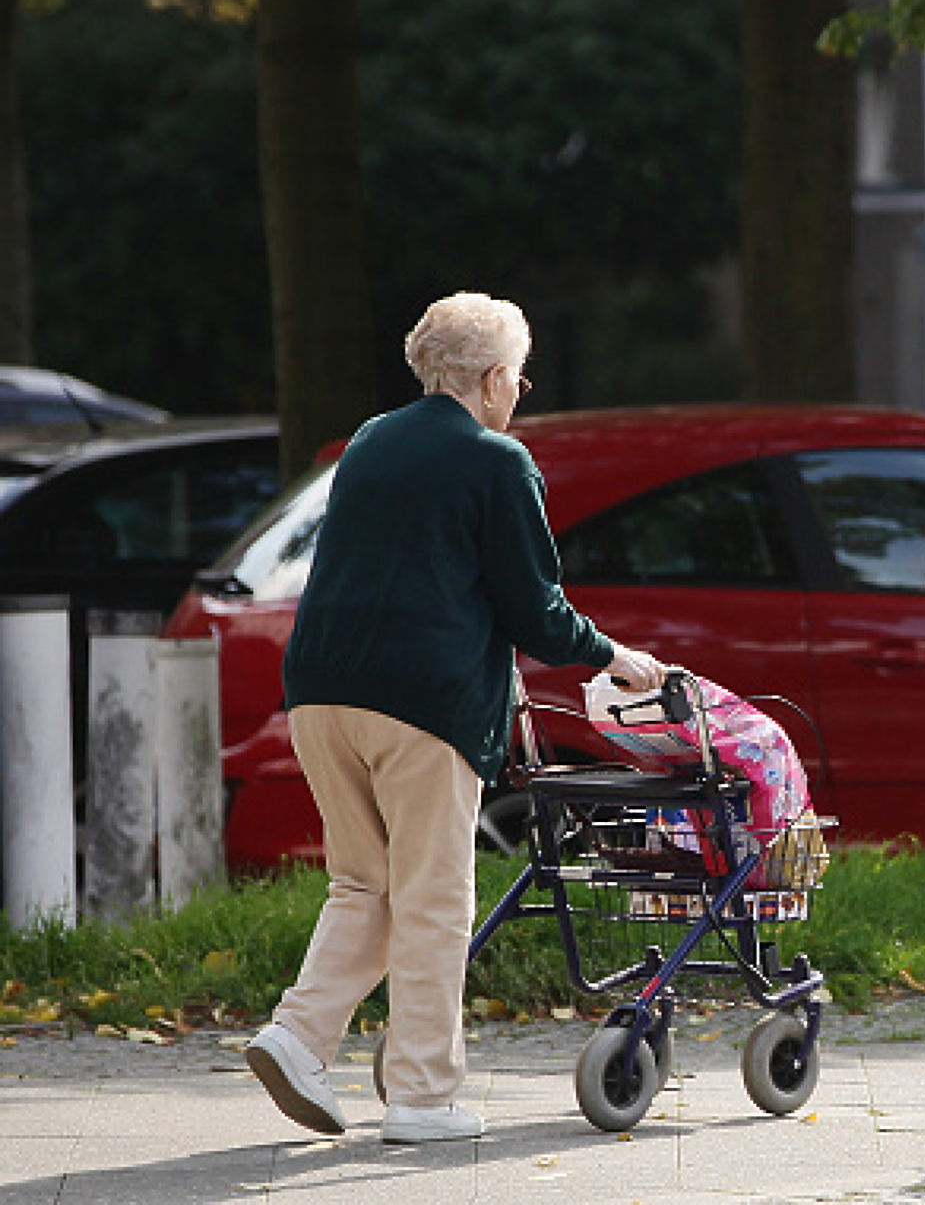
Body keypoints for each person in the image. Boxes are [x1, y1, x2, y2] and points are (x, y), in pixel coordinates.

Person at [245, 292, 666, 1144]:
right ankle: (423, 1098)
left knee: (367, 885)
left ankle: (296, 1037)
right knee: (435, 900)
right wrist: (615, 657)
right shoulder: (496, 461)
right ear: (496, 377)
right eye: (521, 373)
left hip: (322, 690)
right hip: (423, 704)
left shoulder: (370, 441)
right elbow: (535, 610)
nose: (523, 388)